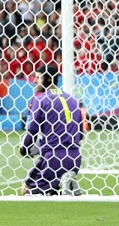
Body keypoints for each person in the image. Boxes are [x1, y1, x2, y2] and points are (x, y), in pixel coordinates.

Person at [20, 64, 83, 196]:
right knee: (51, 194)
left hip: (52, 158)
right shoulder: (73, 100)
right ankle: (66, 183)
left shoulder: (41, 99)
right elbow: (80, 134)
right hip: (75, 157)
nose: (34, 81)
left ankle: (62, 184)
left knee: (27, 193)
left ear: (48, 79)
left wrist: (24, 148)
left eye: (38, 77)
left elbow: (32, 131)